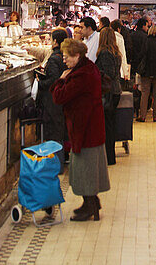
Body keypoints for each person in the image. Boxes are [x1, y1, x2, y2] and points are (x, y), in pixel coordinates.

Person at [52, 38, 109, 221]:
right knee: (86, 167)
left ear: (77, 56)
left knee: (85, 168)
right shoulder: (87, 68)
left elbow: (59, 97)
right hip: (89, 126)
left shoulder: (81, 75)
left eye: (66, 56)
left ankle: (90, 206)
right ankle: (91, 202)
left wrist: (60, 81)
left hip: (85, 128)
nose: (63, 60)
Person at [36, 29, 69, 168]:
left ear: (55, 41)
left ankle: (56, 164)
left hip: (53, 101)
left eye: (51, 39)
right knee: (60, 130)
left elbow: (54, 79)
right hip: (61, 100)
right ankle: (61, 160)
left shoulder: (55, 58)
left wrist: (40, 82)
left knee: (54, 132)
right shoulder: (63, 56)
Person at [94, 28, 123, 165]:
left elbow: (108, 74)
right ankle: (109, 156)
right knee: (110, 123)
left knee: (107, 125)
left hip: (108, 92)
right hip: (115, 90)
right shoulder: (115, 52)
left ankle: (108, 157)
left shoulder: (105, 53)